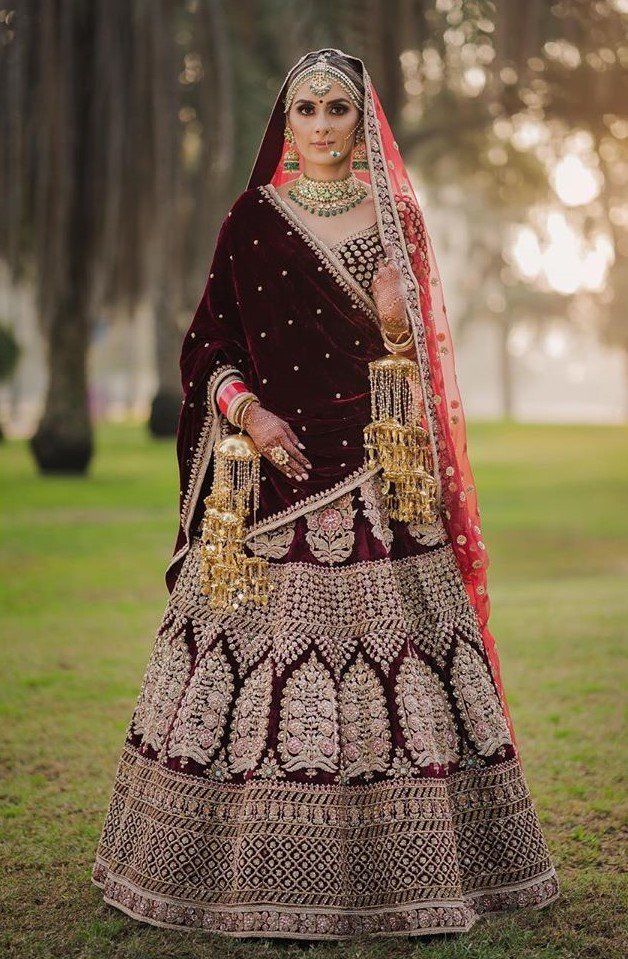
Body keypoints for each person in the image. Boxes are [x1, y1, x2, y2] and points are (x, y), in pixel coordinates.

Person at [91, 48, 560, 942]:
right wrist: (251, 413)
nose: (319, 124)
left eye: (336, 108)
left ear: (360, 119)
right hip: (272, 484)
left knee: (401, 670)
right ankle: (239, 873)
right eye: (303, 107)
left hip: (382, 483)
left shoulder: (397, 221)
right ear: (286, 121)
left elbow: (425, 364)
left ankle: (421, 875)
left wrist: (392, 316)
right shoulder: (251, 221)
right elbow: (207, 349)